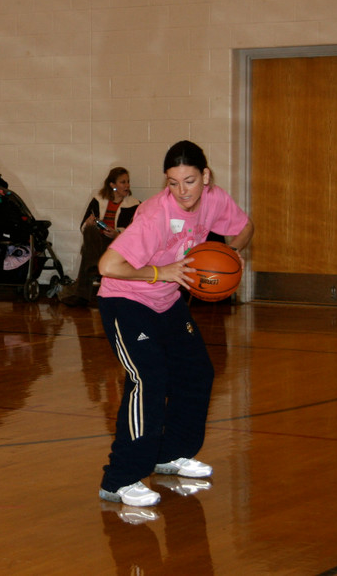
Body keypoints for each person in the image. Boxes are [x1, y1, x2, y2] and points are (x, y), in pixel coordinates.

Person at [95, 140, 254, 507]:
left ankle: (170, 455)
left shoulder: (215, 199)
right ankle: (120, 478)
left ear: (206, 177)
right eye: (173, 182)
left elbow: (245, 226)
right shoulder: (155, 215)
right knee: (148, 379)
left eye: (190, 181)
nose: (182, 191)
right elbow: (107, 266)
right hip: (126, 301)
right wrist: (159, 271)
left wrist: (233, 253)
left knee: (197, 372)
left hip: (167, 301)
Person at [60, 167, 141, 308]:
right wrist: (89, 223)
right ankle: (93, 264)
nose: (127, 185)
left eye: (128, 182)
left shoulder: (134, 204)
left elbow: (136, 232)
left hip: (118, 245)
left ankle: (83, 291)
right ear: (112, 185)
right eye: (123, 182)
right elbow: (83, 227)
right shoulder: (98, 200)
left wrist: (117, 234)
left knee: (88, 251)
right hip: (98, 241)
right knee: (90, 230)